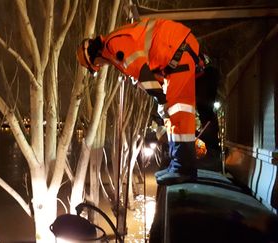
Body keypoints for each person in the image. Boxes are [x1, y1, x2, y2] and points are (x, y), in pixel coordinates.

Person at [76, 18, 208, 185]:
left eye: (96, 65)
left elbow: (142, 71)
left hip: (176, 50)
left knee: (177, 111)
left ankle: (183, 168)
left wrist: (159, 96)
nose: (99, 66)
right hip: (174, 54)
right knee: (171, 112)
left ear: (94, 57)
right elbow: (147, 72)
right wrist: (160, 96)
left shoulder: (113, 45)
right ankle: (179, 165)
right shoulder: (115, 45)